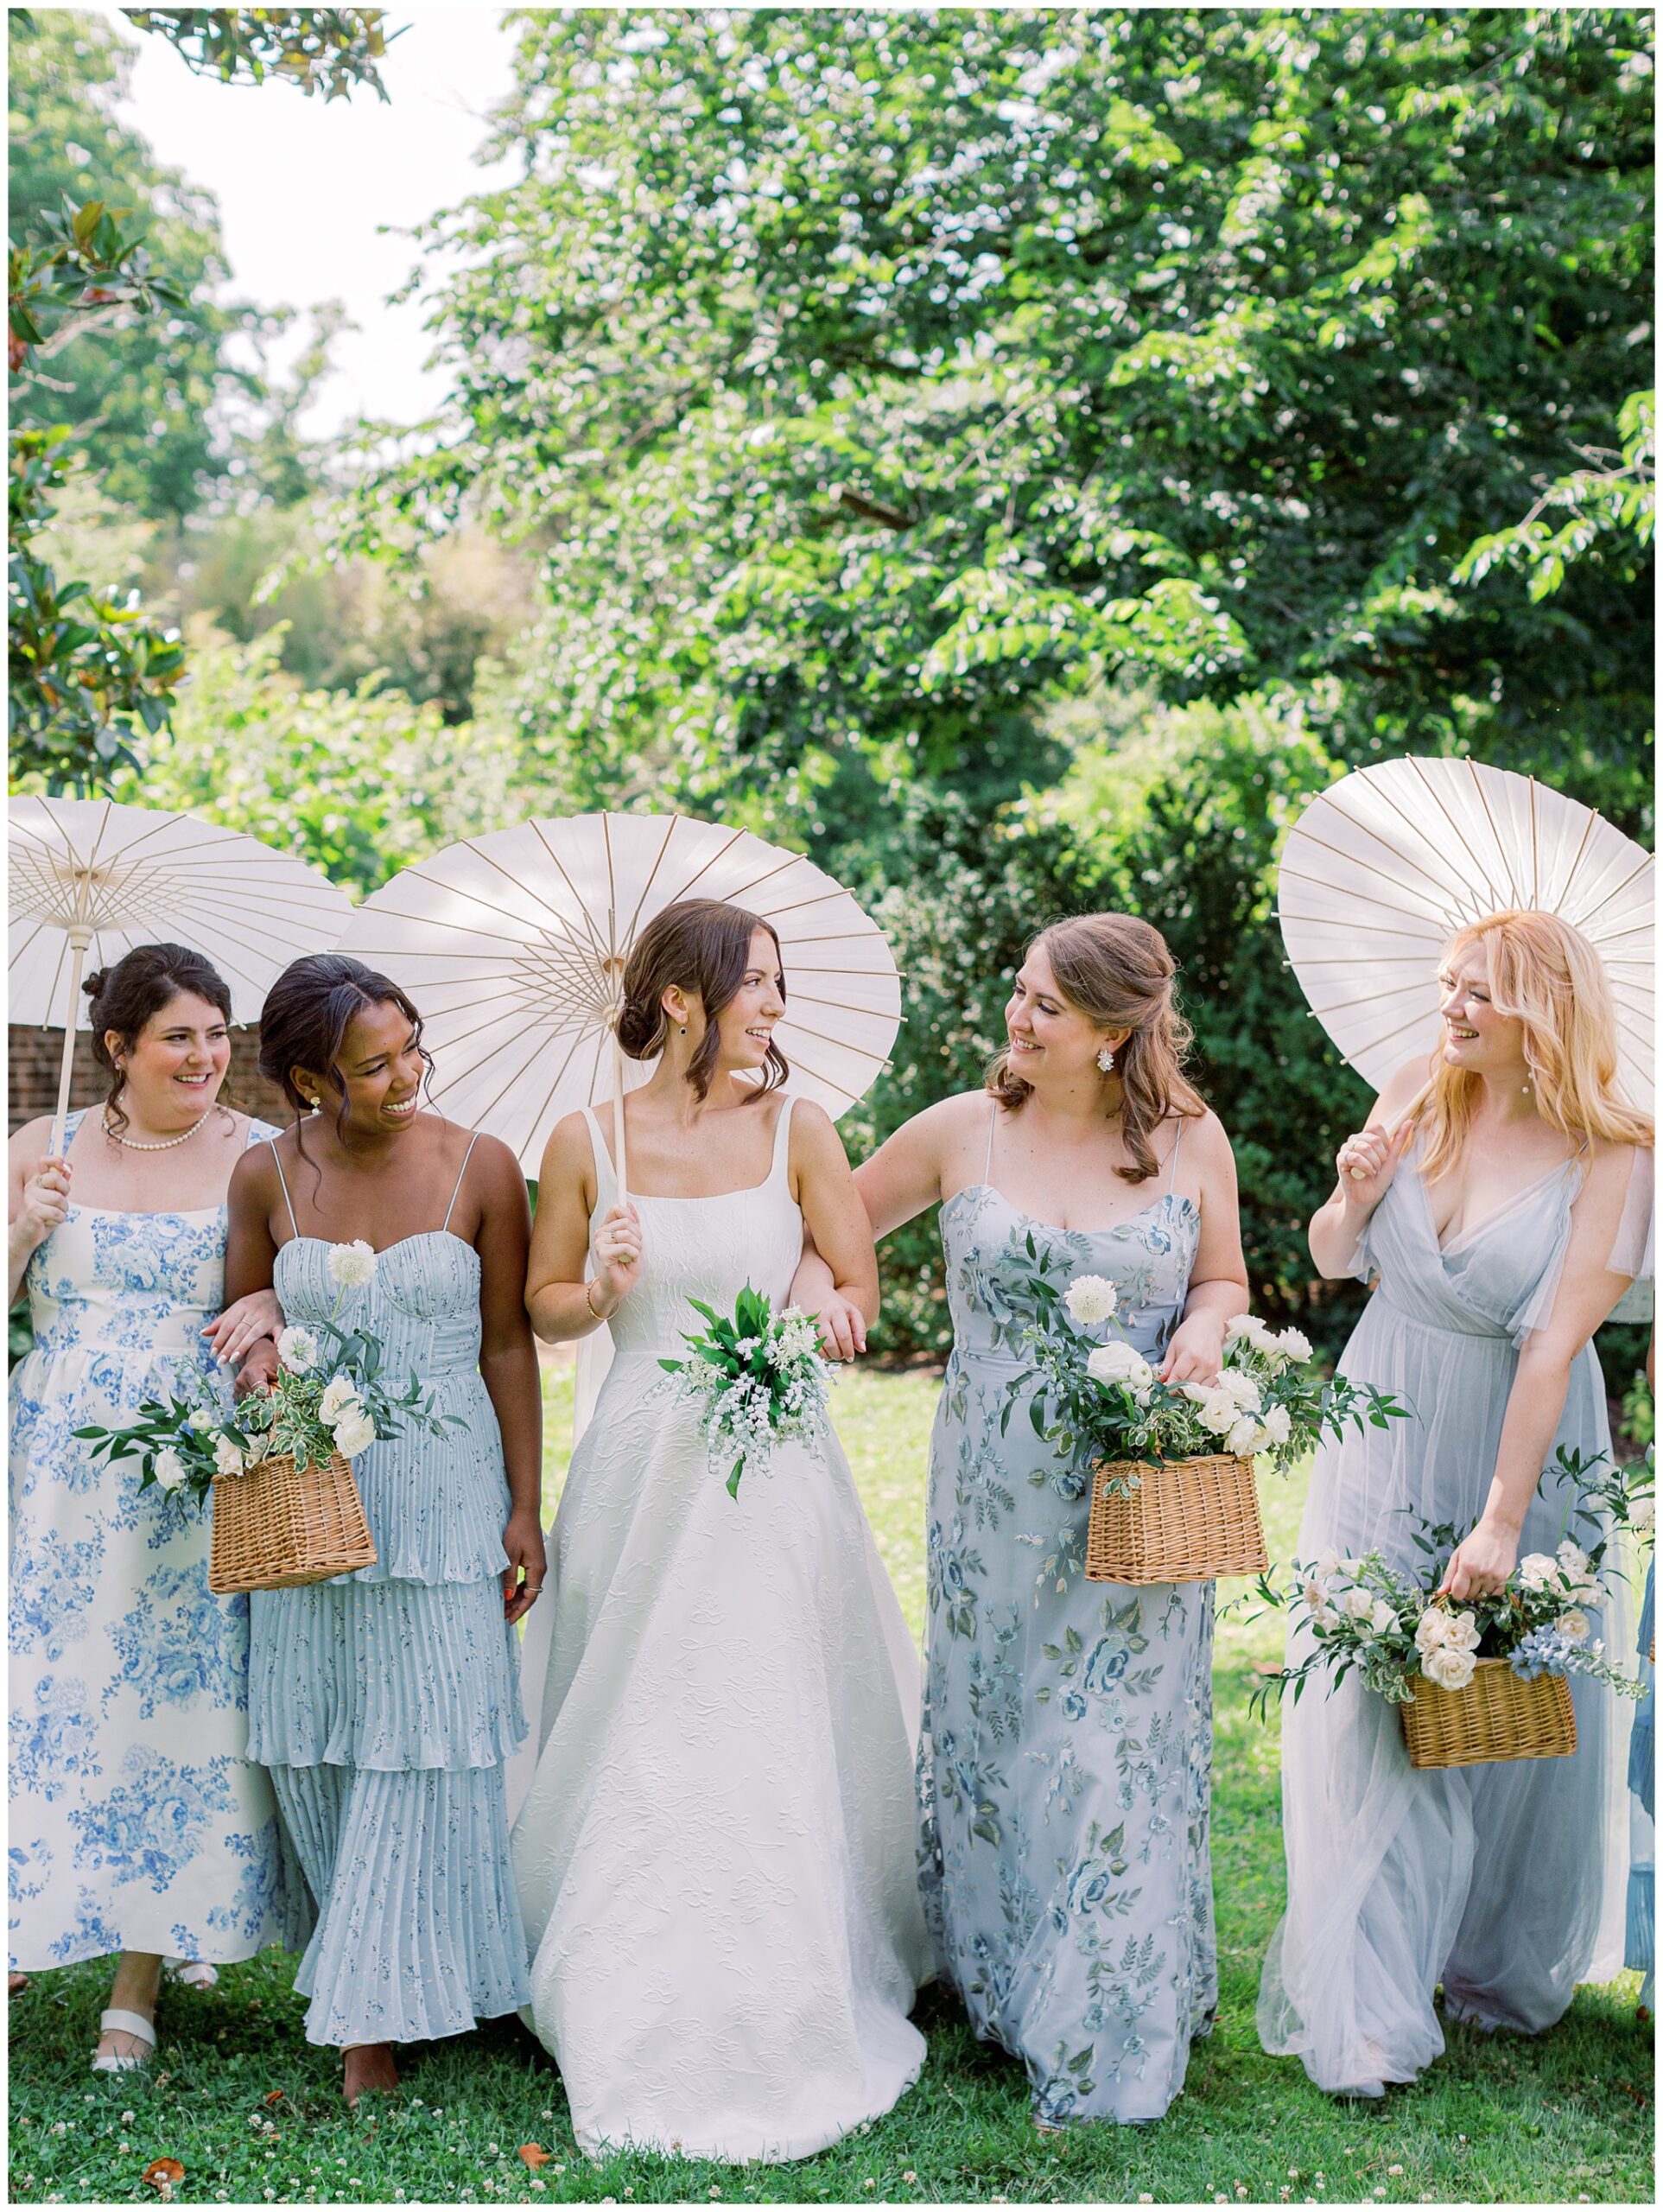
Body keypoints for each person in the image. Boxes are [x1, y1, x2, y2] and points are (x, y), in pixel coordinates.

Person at [796, 912, 1249, 2127]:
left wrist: (1208, 1328)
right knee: (1001, 1727)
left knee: (1115, 1746)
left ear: (1112, 1033)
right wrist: (819, 1301)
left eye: (1046, 1003)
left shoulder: (1189, 1139)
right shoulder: (960, 1130)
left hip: (1137, 1485)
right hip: (992, 1492)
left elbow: (1222, 1276)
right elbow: (826, 1234)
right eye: (1020, 990)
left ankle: (1107, 2019)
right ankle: (1001, 1976)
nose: (1018, 1015)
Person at [512, 898, 930, 2163]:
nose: (776, 1005)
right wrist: (599, 1288)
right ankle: (619, 1967)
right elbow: (540, 1306)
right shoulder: (584, 1141)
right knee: (642, 1712)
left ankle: (789, 1971)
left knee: (760, 1708)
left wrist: (822, 1312)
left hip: (773, 1469)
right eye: (757, 983)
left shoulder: (800, 1129)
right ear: (681, 1000)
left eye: (779, 983)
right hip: (641, 1468)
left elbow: (856, 1282)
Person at [1258, 907, 1653, 2097]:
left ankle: (1486, 1957)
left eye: (1478, 991)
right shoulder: (1414, 1092)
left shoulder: (1616, 1157)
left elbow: (1552, 1346)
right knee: (1365, 1682)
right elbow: (1334, 1258)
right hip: (1384, 1415)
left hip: (1518, 1433)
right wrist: (1350, 1191)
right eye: (1447, 984)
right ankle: (1372, 1996)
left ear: (1544, 1010)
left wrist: (1500, 1519)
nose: (1452, 1008)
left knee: (1501, 1701)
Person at [224, 954, 543, 2107]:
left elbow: (505, 1344)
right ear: (311, 1079)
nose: (406, 1077)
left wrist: (523, 1506)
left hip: (445, 1494)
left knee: (430, 1737)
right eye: (375, 1065)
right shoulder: (264, 1174)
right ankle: (391, 1973)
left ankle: (371, 2020)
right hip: (313, 1497)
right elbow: (240, 1321)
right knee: (316, 1745)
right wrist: (262, 1345)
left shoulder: (483, 1164)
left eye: (412, 1049)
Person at [8, 944, 299, 2069]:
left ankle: (139, 1975)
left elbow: (296, 1285)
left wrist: (271, 1299)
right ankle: (39, 1907)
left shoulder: (259, 1156)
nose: (206, 1056)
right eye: (180, 1037)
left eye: (217, 1034)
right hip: (62, 1476)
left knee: (173, 1717)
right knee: (54, 1701)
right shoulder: (44, 1146)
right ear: (119, 1047)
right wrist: (22, 1231)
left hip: (193, 1469)